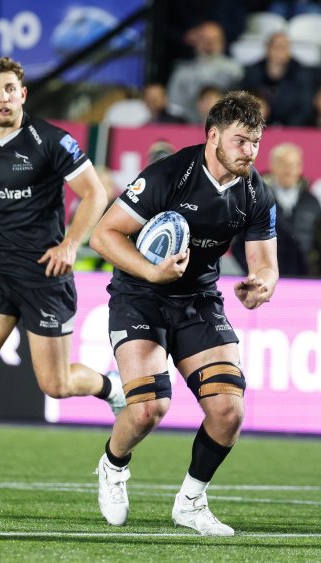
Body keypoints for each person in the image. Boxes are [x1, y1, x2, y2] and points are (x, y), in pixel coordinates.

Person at [0, 57, 126, 505]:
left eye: (11, 88)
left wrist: (71, 243)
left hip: (45, 276)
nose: (4, 97)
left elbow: (95, 193)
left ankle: (111, 387)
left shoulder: (51, 140)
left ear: (23, 94)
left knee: (56, 384)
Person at [90, 91, 278, 535]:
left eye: (255, 142)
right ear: (213, 136)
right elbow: (104, 235)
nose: (249, 151)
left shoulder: (255, 193)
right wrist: (151, 273)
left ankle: (191, 501)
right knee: (147, 410)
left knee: (229, 411)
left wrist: (262, 286)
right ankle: (113, 466)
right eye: (240, 141)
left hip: (198, 299)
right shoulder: (168, 174)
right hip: (140, 294)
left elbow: (265, 264)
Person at [232, 143, 321, 277]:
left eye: (294, 164)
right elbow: (237, 243)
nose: (289, 169)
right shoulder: (253, 199)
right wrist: (255, 271)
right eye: (283, 163)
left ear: (300, 168)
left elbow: (320, 243)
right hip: (261, 279)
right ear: (272, 166)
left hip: (303, 280)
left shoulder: (312, 202)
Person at [167, 21, 242, 123]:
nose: (209, 43)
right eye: (204, 39)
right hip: (187, 127)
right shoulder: (182, 72)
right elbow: (174, 106)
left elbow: (239, 104)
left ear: (223, 43)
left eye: (214, 39)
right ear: (195, 42)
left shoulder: (235, 70)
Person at [240, 32, 313, 126]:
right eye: (277, 47)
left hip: (292, 129)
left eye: (284, 47)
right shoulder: (252, 73)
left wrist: (289, 128)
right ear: (268, 48)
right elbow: (242, 101)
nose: (280, 51)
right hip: (257, 127)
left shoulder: (301, 74)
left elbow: (304, 107)